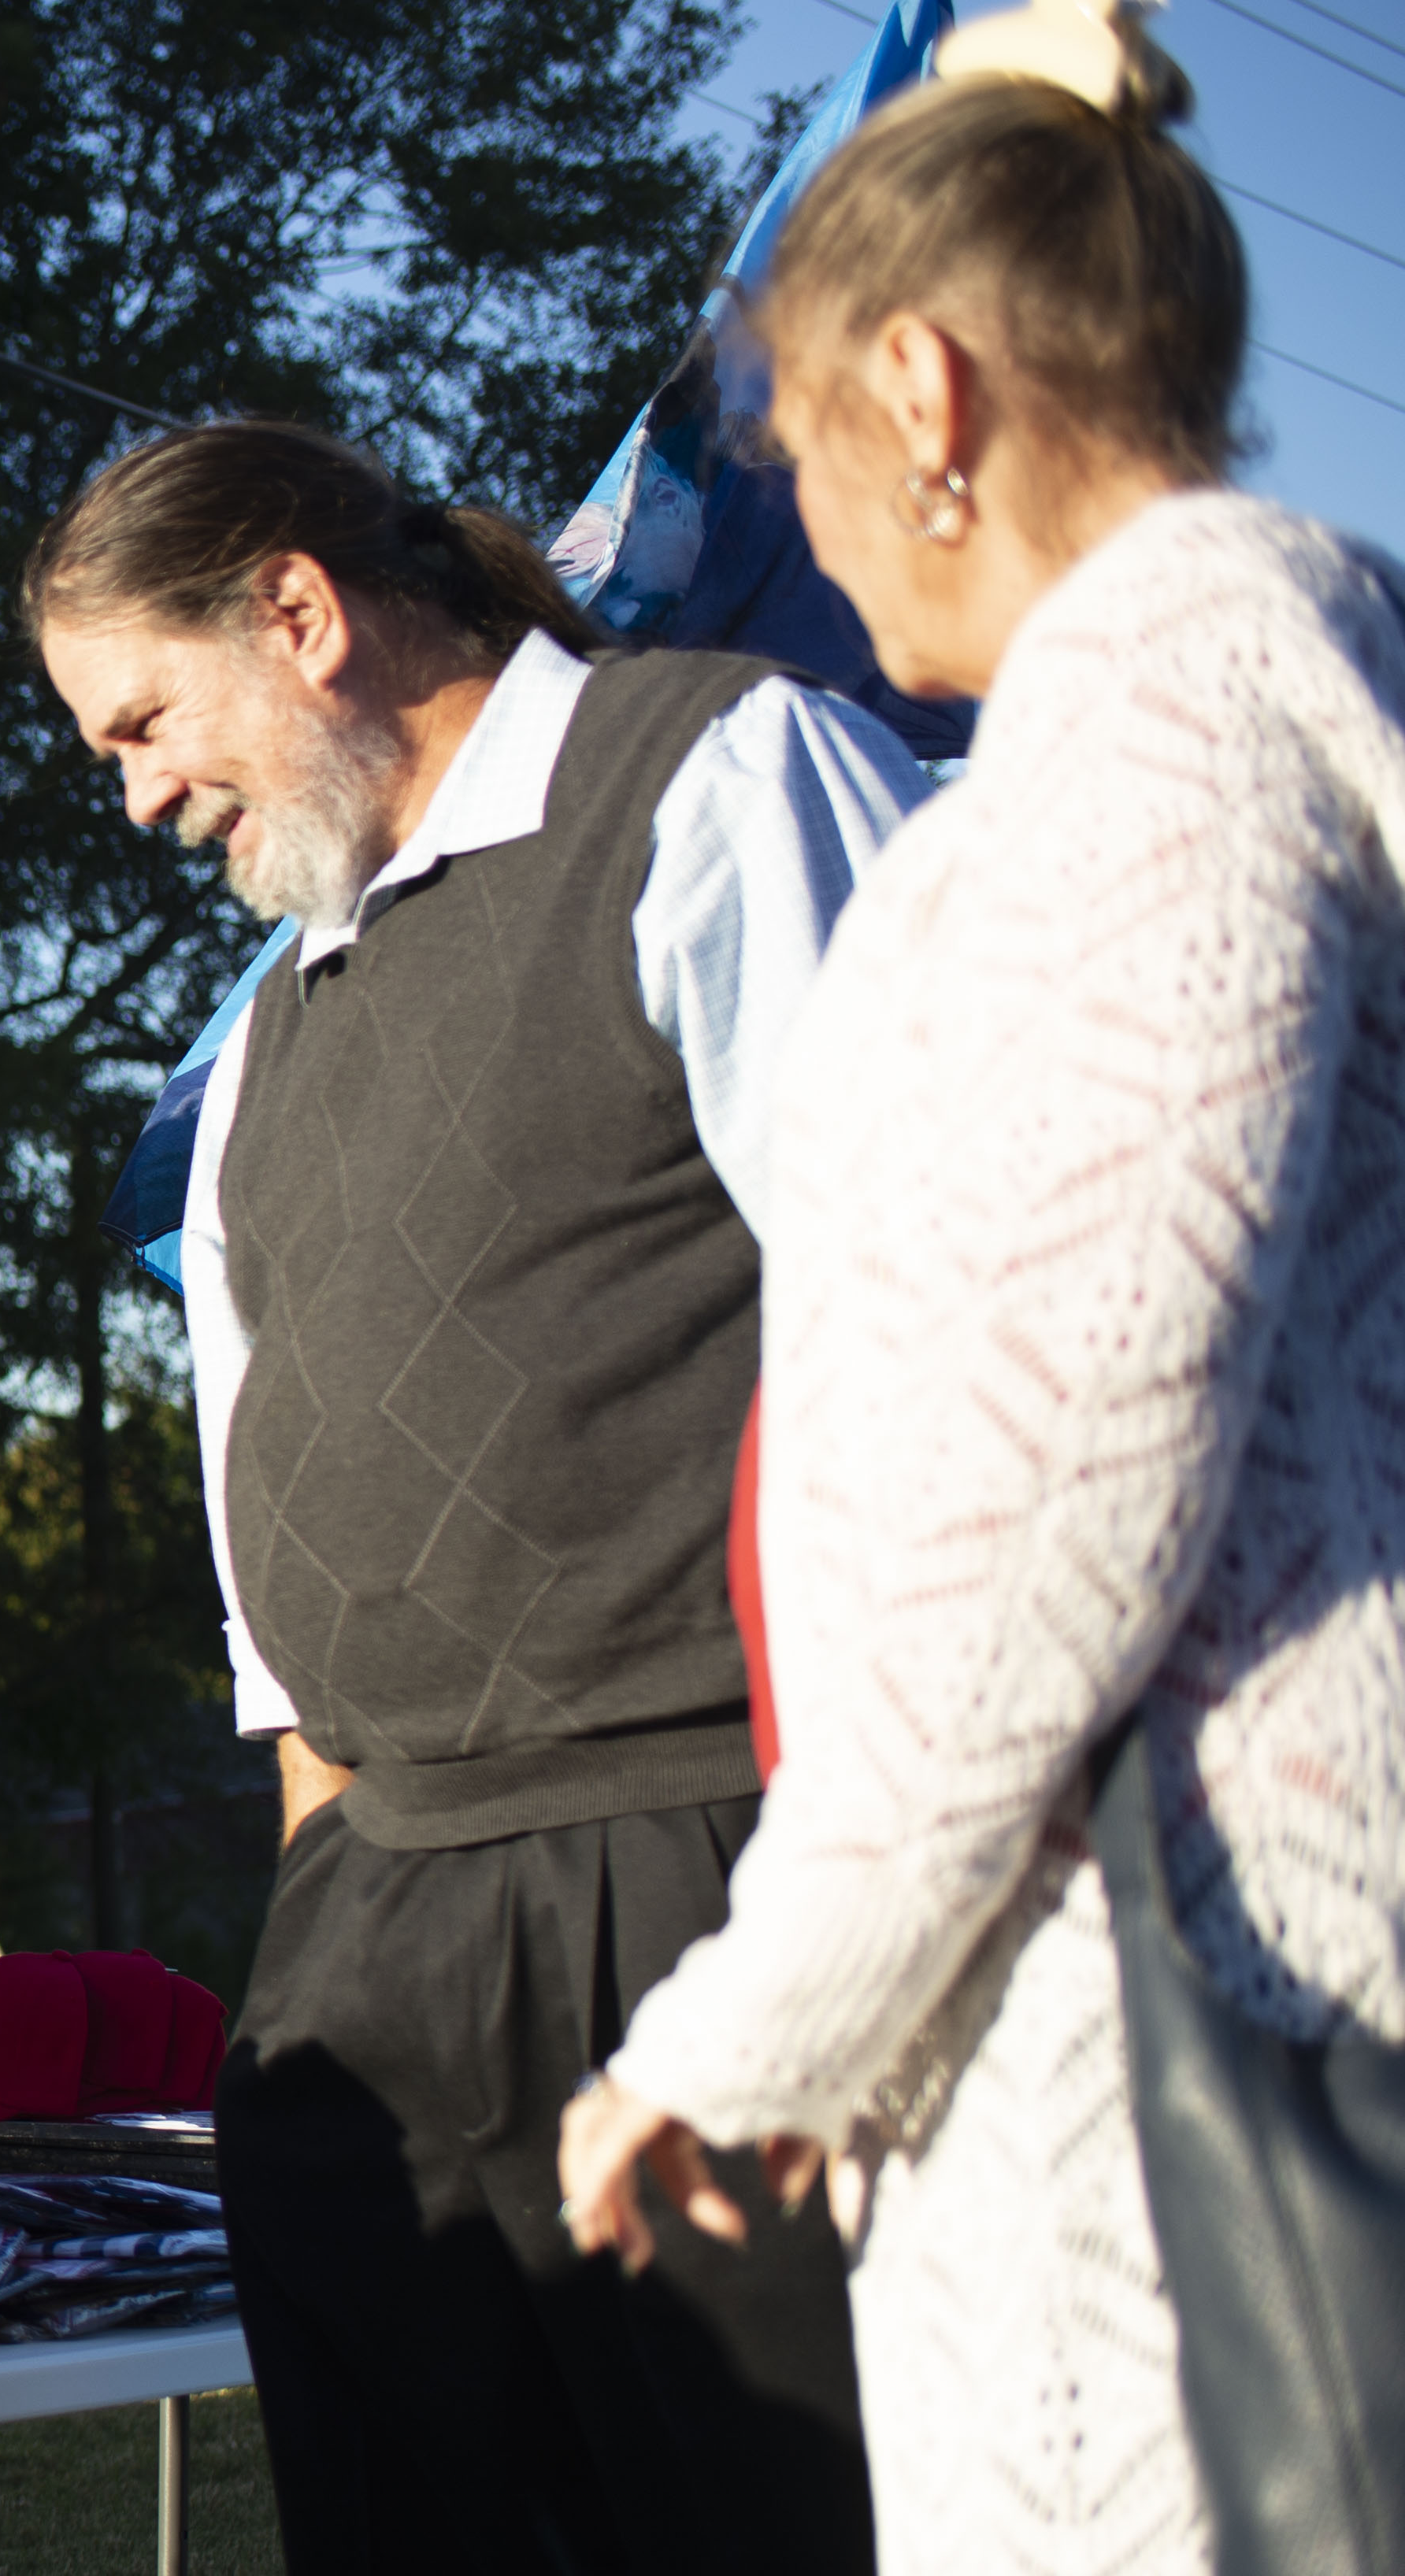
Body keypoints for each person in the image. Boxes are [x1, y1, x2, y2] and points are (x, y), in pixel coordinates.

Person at [558, 5, 1405, 2562]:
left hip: (1182, 2055)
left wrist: (748, 2021)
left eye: (798, 432)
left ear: (923, 387)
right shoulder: (1262, 702)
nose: (803, 513)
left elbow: (1050, 1473)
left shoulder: (1155, 740)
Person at [29, 417, 925, 2573]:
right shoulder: (266, 1040)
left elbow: (938, 1338)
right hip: (374, 1941)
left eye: (139, 722)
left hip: (706, 1866)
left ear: (300, 615)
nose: (134, 795)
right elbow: (278, 1603)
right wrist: (312, 1948)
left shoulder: (713, 780)